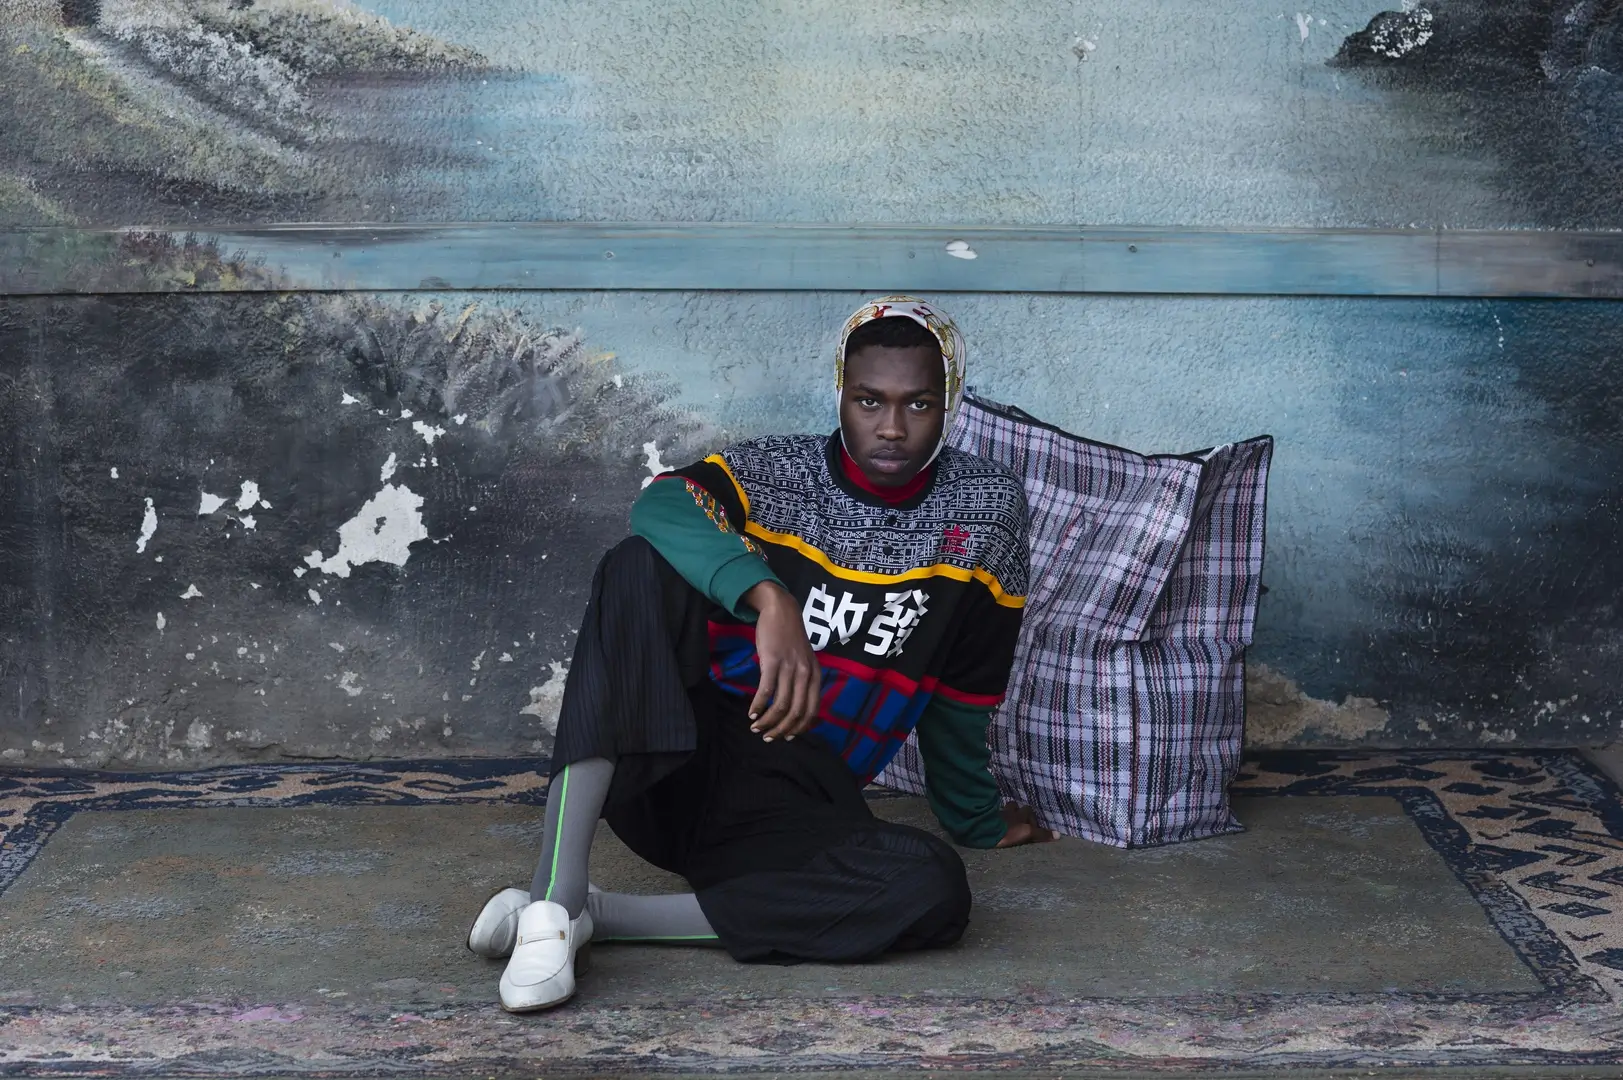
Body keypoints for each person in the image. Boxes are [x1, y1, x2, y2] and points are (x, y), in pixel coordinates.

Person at [467, 295, 1050, 1013]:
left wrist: (976, 821)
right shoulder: (777, 473)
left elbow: (965, 685)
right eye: (868, 401)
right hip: (671, 760)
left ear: (948, 403)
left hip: (801, 802)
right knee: (636, 566)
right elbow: (660, 506)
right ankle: (554, 900)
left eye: (918, 404)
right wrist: (768, 600)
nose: (891, 427)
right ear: (840, 391)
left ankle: (596, 916)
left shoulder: (984, 509)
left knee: (930, 888)